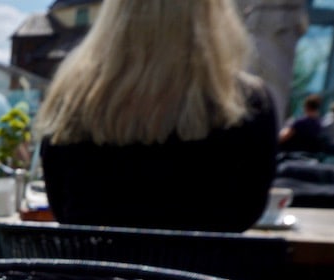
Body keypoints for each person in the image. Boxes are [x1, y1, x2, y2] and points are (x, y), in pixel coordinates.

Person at [37, 0, 277, 233]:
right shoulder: (245, 104)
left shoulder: (71, 99)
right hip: (199, 272)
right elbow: (247, 213)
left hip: (94, 272)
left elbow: (61, 210)